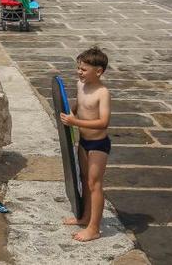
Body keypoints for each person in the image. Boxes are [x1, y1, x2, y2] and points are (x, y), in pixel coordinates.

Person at [60, 47, 112, 243]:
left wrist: (75, 122)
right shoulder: (80, 85)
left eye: (83, 69)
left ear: (98, 71)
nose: (79, 72)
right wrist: (70, 112)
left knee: (94, 184)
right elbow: (79, 105)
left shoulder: (102, 93)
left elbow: (103, 122)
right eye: (78, 68)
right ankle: (85, 217)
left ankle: (94, 228)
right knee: (84, 179)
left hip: (98, 144)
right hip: (83, 141)